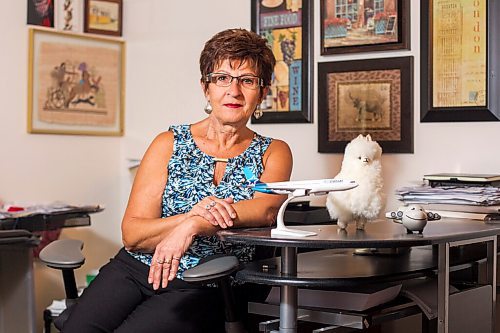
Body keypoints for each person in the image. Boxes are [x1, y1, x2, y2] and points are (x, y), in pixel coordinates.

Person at [61, 28, 293, 333]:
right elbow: (133, 234)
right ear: (206, 88)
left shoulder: (274, 151)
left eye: (247, 81)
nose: (233, 91)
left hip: (204, 282)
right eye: (222, 78)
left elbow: (264, 210)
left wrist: (193, 225)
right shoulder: (168, 143)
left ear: (262, 93)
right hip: (134, 269)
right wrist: (190, 217)